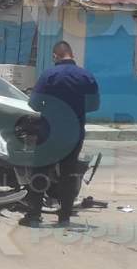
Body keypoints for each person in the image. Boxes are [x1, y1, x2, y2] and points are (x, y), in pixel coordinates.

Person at [20, 41, 100, 227]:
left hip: (49, 132)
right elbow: (94, 105)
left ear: (55, 56)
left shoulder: (49, 75)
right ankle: (64, 218)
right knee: (69, 174)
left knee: (40, 172)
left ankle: (33, 216)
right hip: (74, 133)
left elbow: (34, 104)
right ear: (72, 55)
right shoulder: (86, 76)